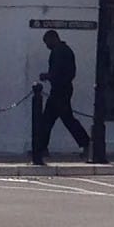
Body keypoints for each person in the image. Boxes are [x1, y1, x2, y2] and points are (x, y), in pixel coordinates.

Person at [36, 29, 88, 161]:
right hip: (64, 89)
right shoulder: (66, 50)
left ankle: (41, 148)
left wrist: (46, 76)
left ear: (53, 39)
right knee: (64, 119)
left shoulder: (58, 52)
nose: (46, 45)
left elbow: (57, 72)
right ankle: (86, 143)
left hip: (59, 90)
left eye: (46, 42)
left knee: (50, 120)